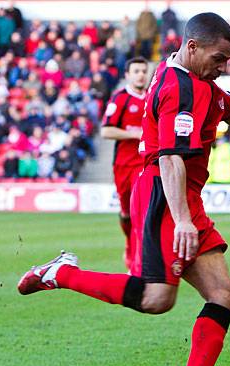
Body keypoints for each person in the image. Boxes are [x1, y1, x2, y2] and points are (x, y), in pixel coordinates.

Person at [17, 12, 230, 366]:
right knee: (156, 298)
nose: (223, 67)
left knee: (223, 295)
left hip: (183, 196)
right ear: (192, 47)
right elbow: (172, 157)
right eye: (219, 57)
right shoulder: (179, 87)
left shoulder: (198, 81)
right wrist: (181, 220)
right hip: (164, 194)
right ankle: (60, 273)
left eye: (228, 59)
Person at [100, 57, 149, 269]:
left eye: (144, 71)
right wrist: (134, 134)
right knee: (127, 212)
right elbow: (105, 131)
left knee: (143, 211)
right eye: (136, 71)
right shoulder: (120, 99)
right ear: (127, 75)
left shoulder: (153, 98)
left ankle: (139, 261)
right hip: (123, 164)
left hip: (145, 164)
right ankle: (130, 245)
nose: (141, 74)